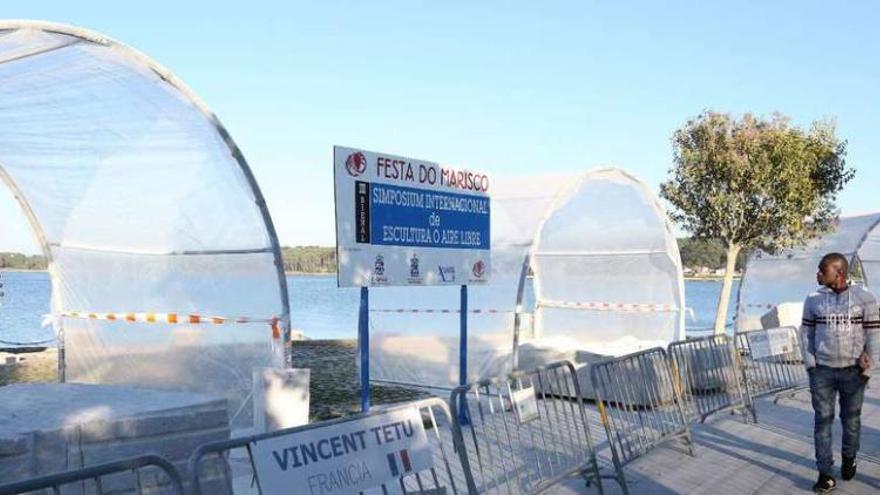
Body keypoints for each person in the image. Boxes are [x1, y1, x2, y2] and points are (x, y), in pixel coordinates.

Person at [801, 252, 879, 493]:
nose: (818, 274)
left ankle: (849, 458)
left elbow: (874, 334)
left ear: (839, 273)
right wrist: (811, 365)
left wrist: (870, 368)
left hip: (853, 372)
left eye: (822, 270)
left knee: (851, 421)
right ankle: (825, 474)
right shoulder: (813, 299)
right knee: (822, 422)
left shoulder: (864, 298)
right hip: (822, 371)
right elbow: (806, 333)